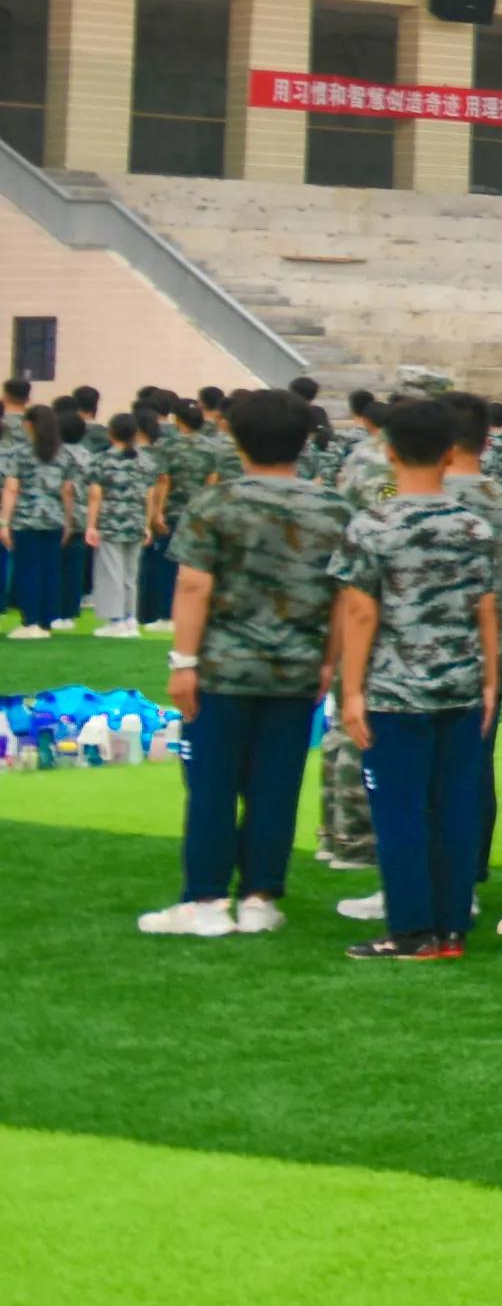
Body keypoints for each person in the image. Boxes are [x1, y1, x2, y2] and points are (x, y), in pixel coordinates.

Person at [141, 388, 339, 939]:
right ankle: (259, 897)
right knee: (276, 786)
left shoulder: (216, 503)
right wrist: (331, 661)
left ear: (236, 438)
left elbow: (193, 584)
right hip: (297, 666)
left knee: (212, 785)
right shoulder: (332, 508)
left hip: (222, 669)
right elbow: (345, 595)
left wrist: (183, 661)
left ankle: (206, 900)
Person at [327, 395, 502, 962]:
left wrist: (351, 690)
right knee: (454, 807)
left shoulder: (373, 524)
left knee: (400, 810)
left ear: (387, 450)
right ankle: (451, 927)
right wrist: (489, 678)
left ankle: (411, 930)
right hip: (460, 685)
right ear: (451, 452)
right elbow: (486, 607)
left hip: (396, 691)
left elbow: (360, 613)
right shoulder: (474, 526)